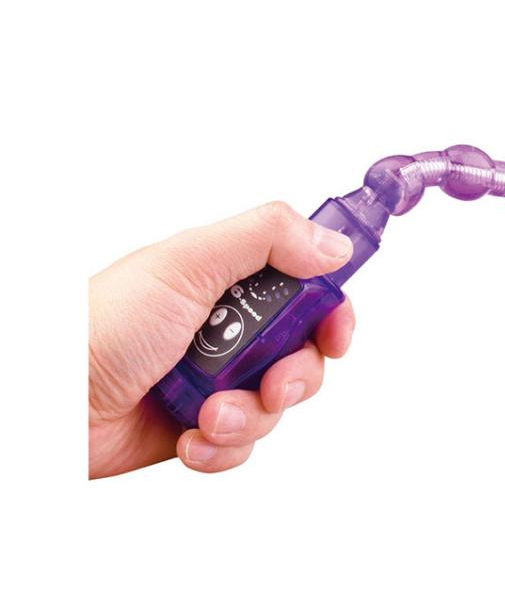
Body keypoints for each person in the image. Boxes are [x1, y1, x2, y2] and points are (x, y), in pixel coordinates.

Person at [88, 201, 356, 479]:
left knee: (277, 382)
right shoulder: (279, 247)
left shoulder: (317, 294)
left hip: (154, 408)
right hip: (161, 387)